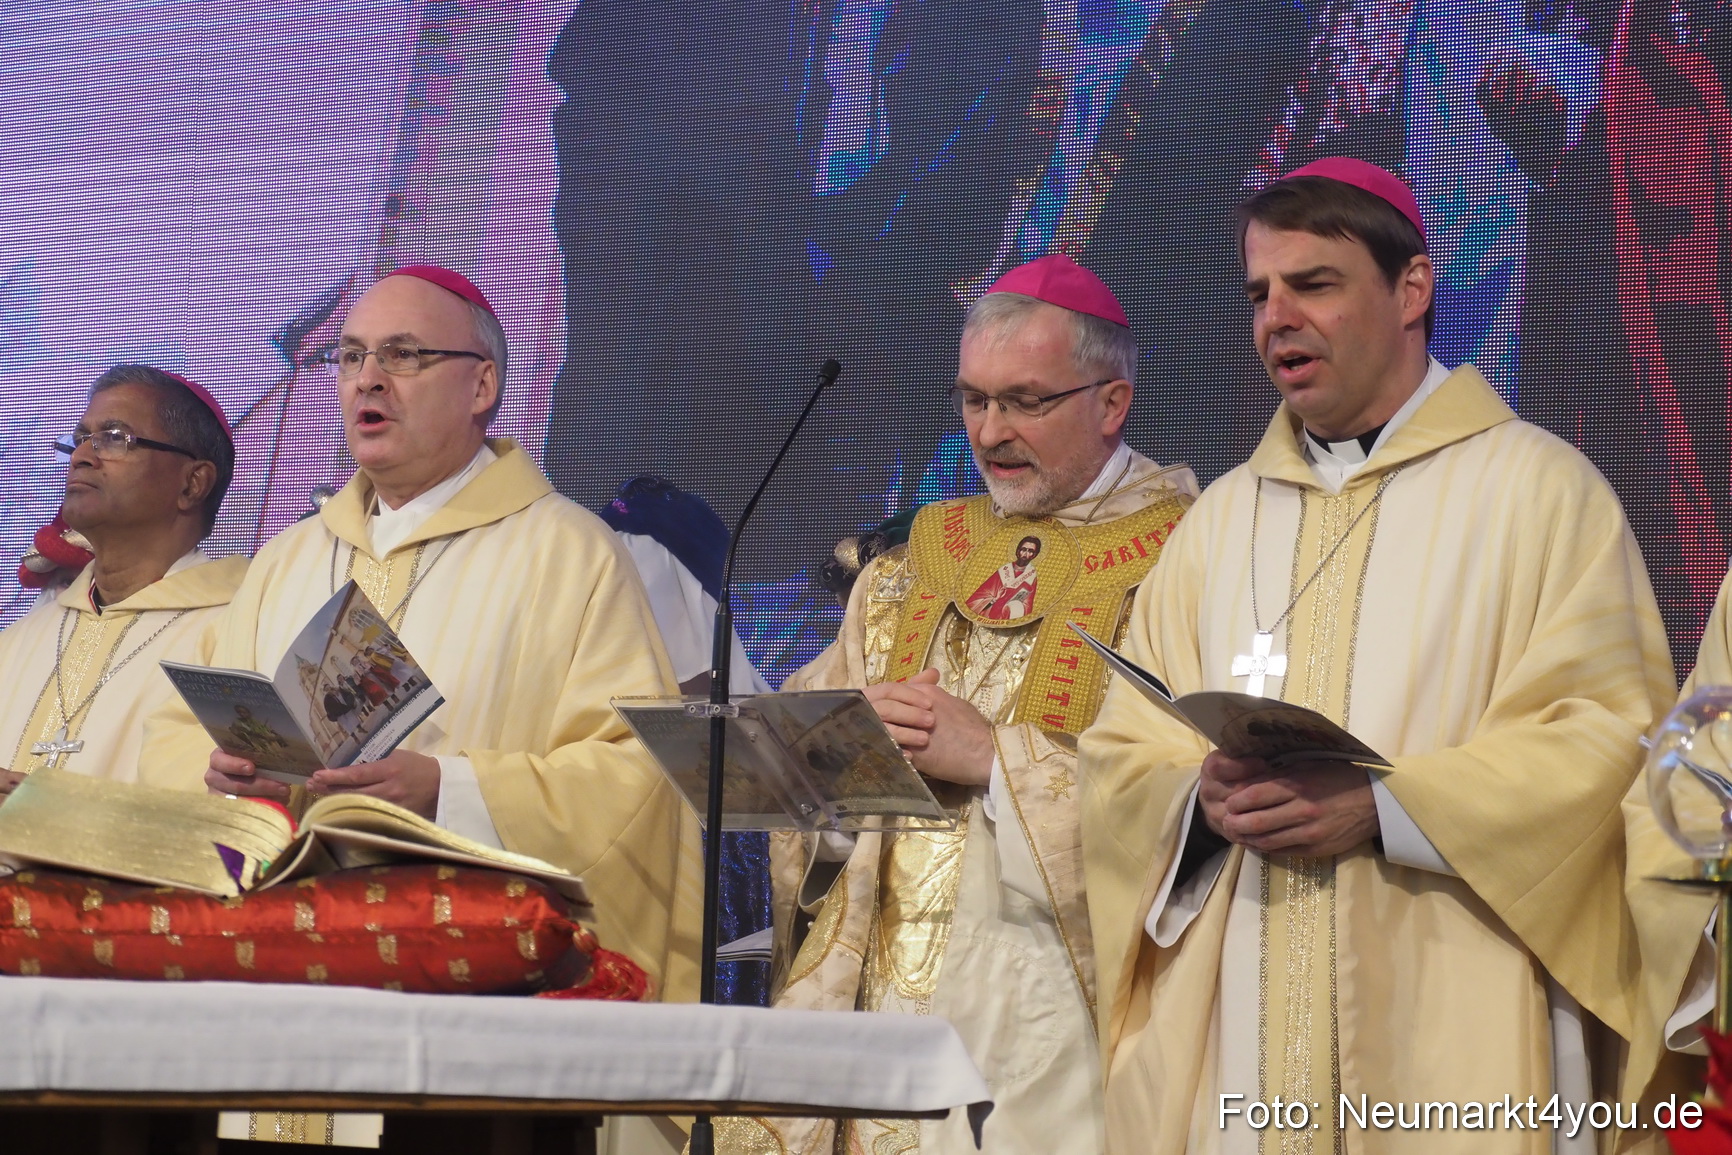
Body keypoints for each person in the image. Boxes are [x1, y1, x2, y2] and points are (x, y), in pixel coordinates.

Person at [1078, 158, 1675, 1154]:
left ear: (1411, 289)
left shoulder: (1538, 493)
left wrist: (1385, 807)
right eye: (1259, 294)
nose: (1276, 318)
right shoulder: (1218, 521)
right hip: (1242, 1020)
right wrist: (1199, 803)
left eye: (1313, 284)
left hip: (1455, 1007)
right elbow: (1122, 754)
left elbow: (1611, 744)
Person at [717, 254, 1199, 1155]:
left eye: (1024, 400)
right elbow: (794, 791)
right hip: (876, 1010)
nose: (991, 431)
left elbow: (1197, 794)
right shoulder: (909, 566)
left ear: (1112, 402)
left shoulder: (1188, 562)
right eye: (974, 399)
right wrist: (845, 743)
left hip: (1050, 1016)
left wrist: (997, 760)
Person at [137, 264, 703, 999]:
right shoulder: (289, 558)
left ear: (482, 388)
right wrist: (221, 773)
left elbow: (638, 779)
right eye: (351, 356)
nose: (368, 379)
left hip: (469, 965)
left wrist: (450, 789)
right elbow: (176, 736)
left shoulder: (566, 550)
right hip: (285, 957)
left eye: (403, 355)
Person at [0, 365, 245, 796]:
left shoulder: (238, 630)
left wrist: (53, 821)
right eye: (81, 439)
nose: (80, 456)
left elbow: (230, 817)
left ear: (192, 483)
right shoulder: (19, 641)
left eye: (115, 438)